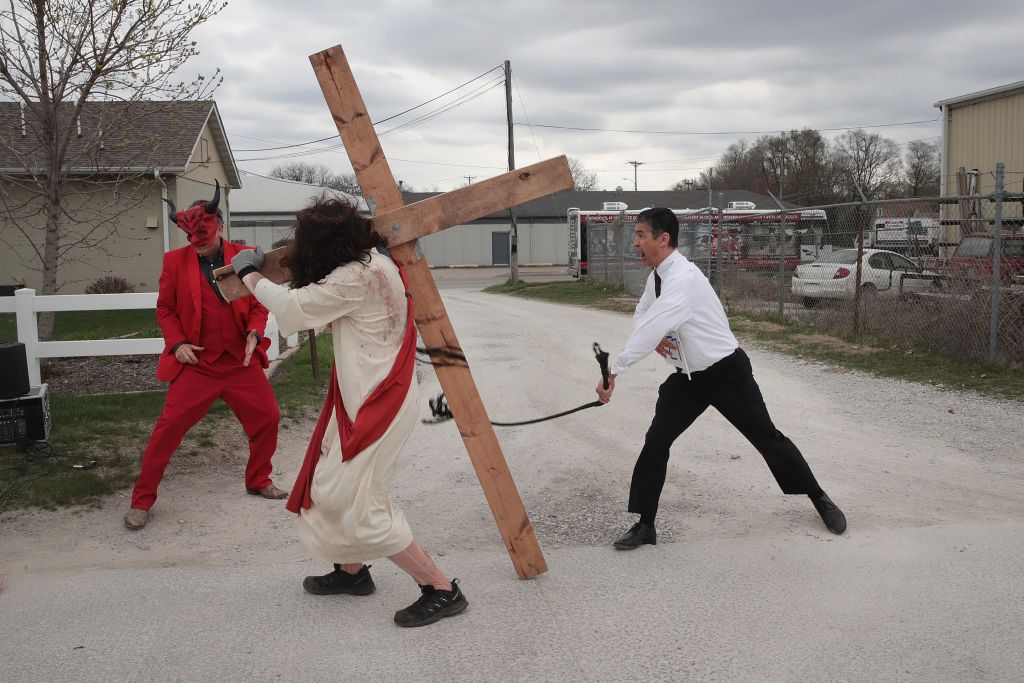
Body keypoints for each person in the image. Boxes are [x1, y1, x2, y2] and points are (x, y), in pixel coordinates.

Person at [232, 197, 467, 628]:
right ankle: (352, 572)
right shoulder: (372, 262)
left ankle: (440, 588)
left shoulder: (356, 276)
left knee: (361, 504)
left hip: (379, 404)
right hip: (367, 398)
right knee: (329, 487)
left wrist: (247, 271)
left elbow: (292, 310)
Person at [595, 207, 846, 550]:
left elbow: (657, 322)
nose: (635, 242)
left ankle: (818, 496)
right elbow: (645, 317)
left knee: (767, 438)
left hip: (727, 374)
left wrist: (615, 370)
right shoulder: (657, 277)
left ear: (662, 239)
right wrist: (653, 342)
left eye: (640, 235)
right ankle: (645, 525)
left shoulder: (682, 278)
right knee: (656, 441)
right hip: (689, 381)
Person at [124, 182, 286, 531]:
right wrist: (177, 342)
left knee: (268, 418)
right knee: (167, 430)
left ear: (220, 227)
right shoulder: (173, 262)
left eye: (205, 240)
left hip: (238, 362)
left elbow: (259, 302)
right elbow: (165, 309)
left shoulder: (245, 255)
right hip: (197, 364)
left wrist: (255, 334)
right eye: (193, 243)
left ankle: (258, 479)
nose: (199, 248)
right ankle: (142, 500)